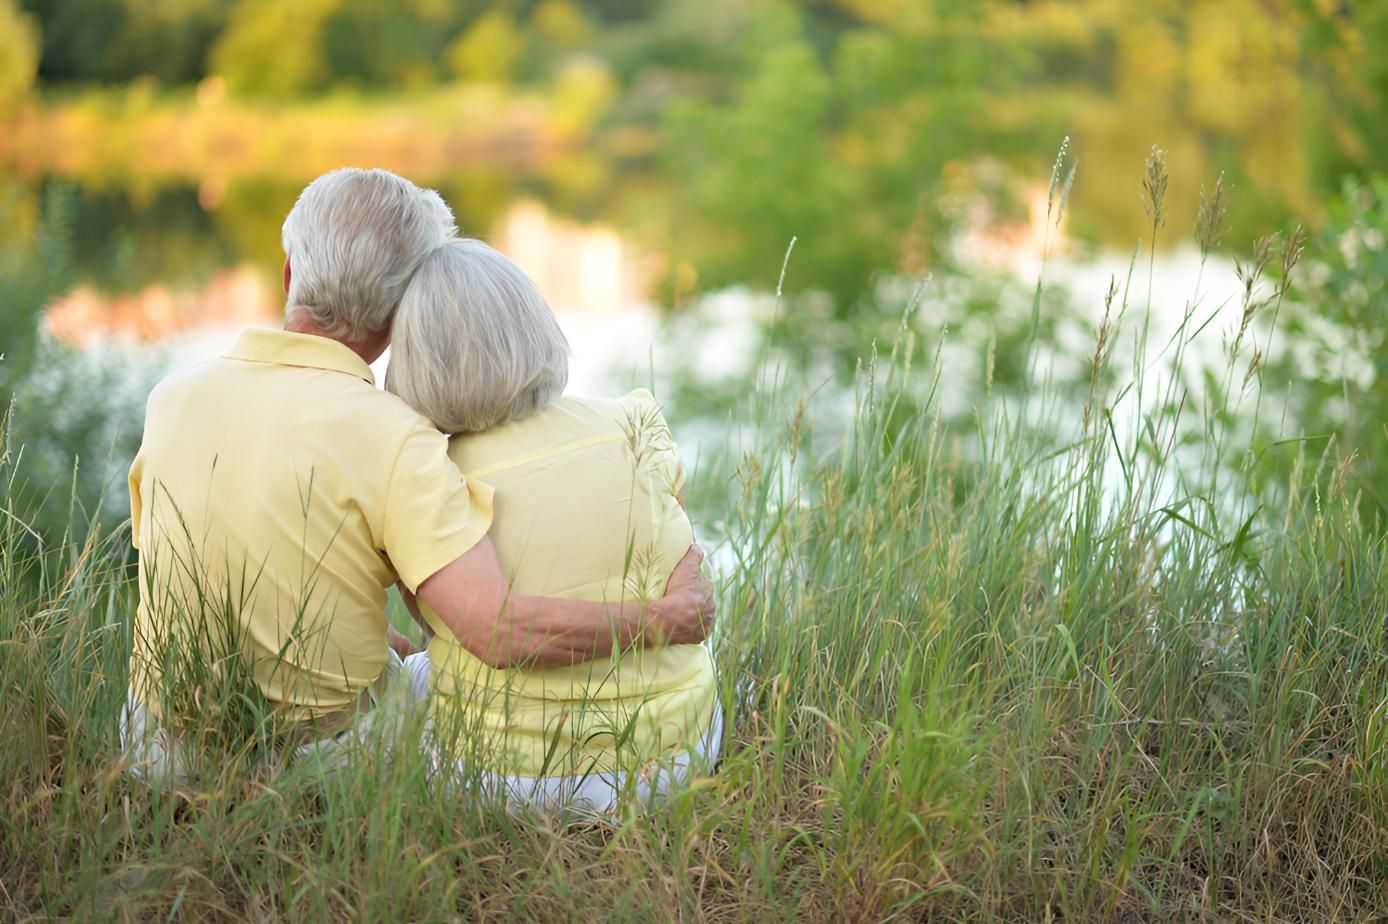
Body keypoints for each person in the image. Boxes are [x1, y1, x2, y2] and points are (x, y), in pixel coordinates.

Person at [122, 168, 715, 782]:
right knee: (452, 682)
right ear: (404, 313)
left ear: (290, 274)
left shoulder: (171, 397)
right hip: (320, 761)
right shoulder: (394, 433)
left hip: (158, 743)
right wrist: (668, 618)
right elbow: (498, 630)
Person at [384, 238, 721, 815]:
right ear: (535, 323)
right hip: (678, 762)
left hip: (500, 780)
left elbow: (431, 621)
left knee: (405, 673)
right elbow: (674, 550)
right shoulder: (635, 422)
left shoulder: (423, 477)